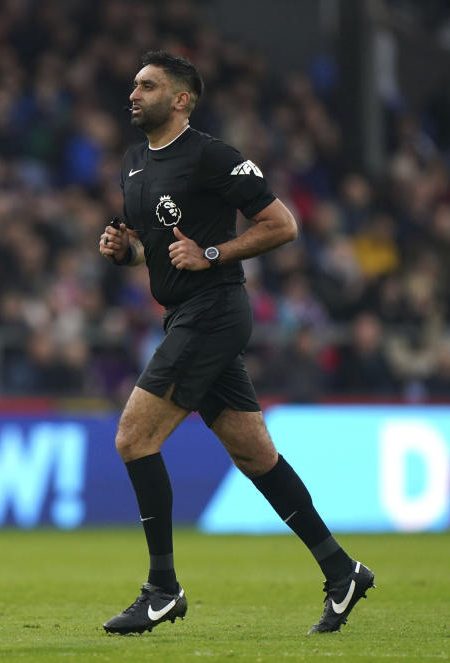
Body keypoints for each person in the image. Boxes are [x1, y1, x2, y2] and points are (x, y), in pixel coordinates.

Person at [97, 51, 374, 636]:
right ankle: (341, 570)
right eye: (133, 85)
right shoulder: (133, 164)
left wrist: (213, 253)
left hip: (214, 311)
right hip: (185, 316)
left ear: (181, 99)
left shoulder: (212, 155)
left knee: (134, 437)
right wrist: (127, 251)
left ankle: (162, 588)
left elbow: (283, 224)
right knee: (254, 454)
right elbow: (157, 245)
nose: (134, 93)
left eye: (148, 86)